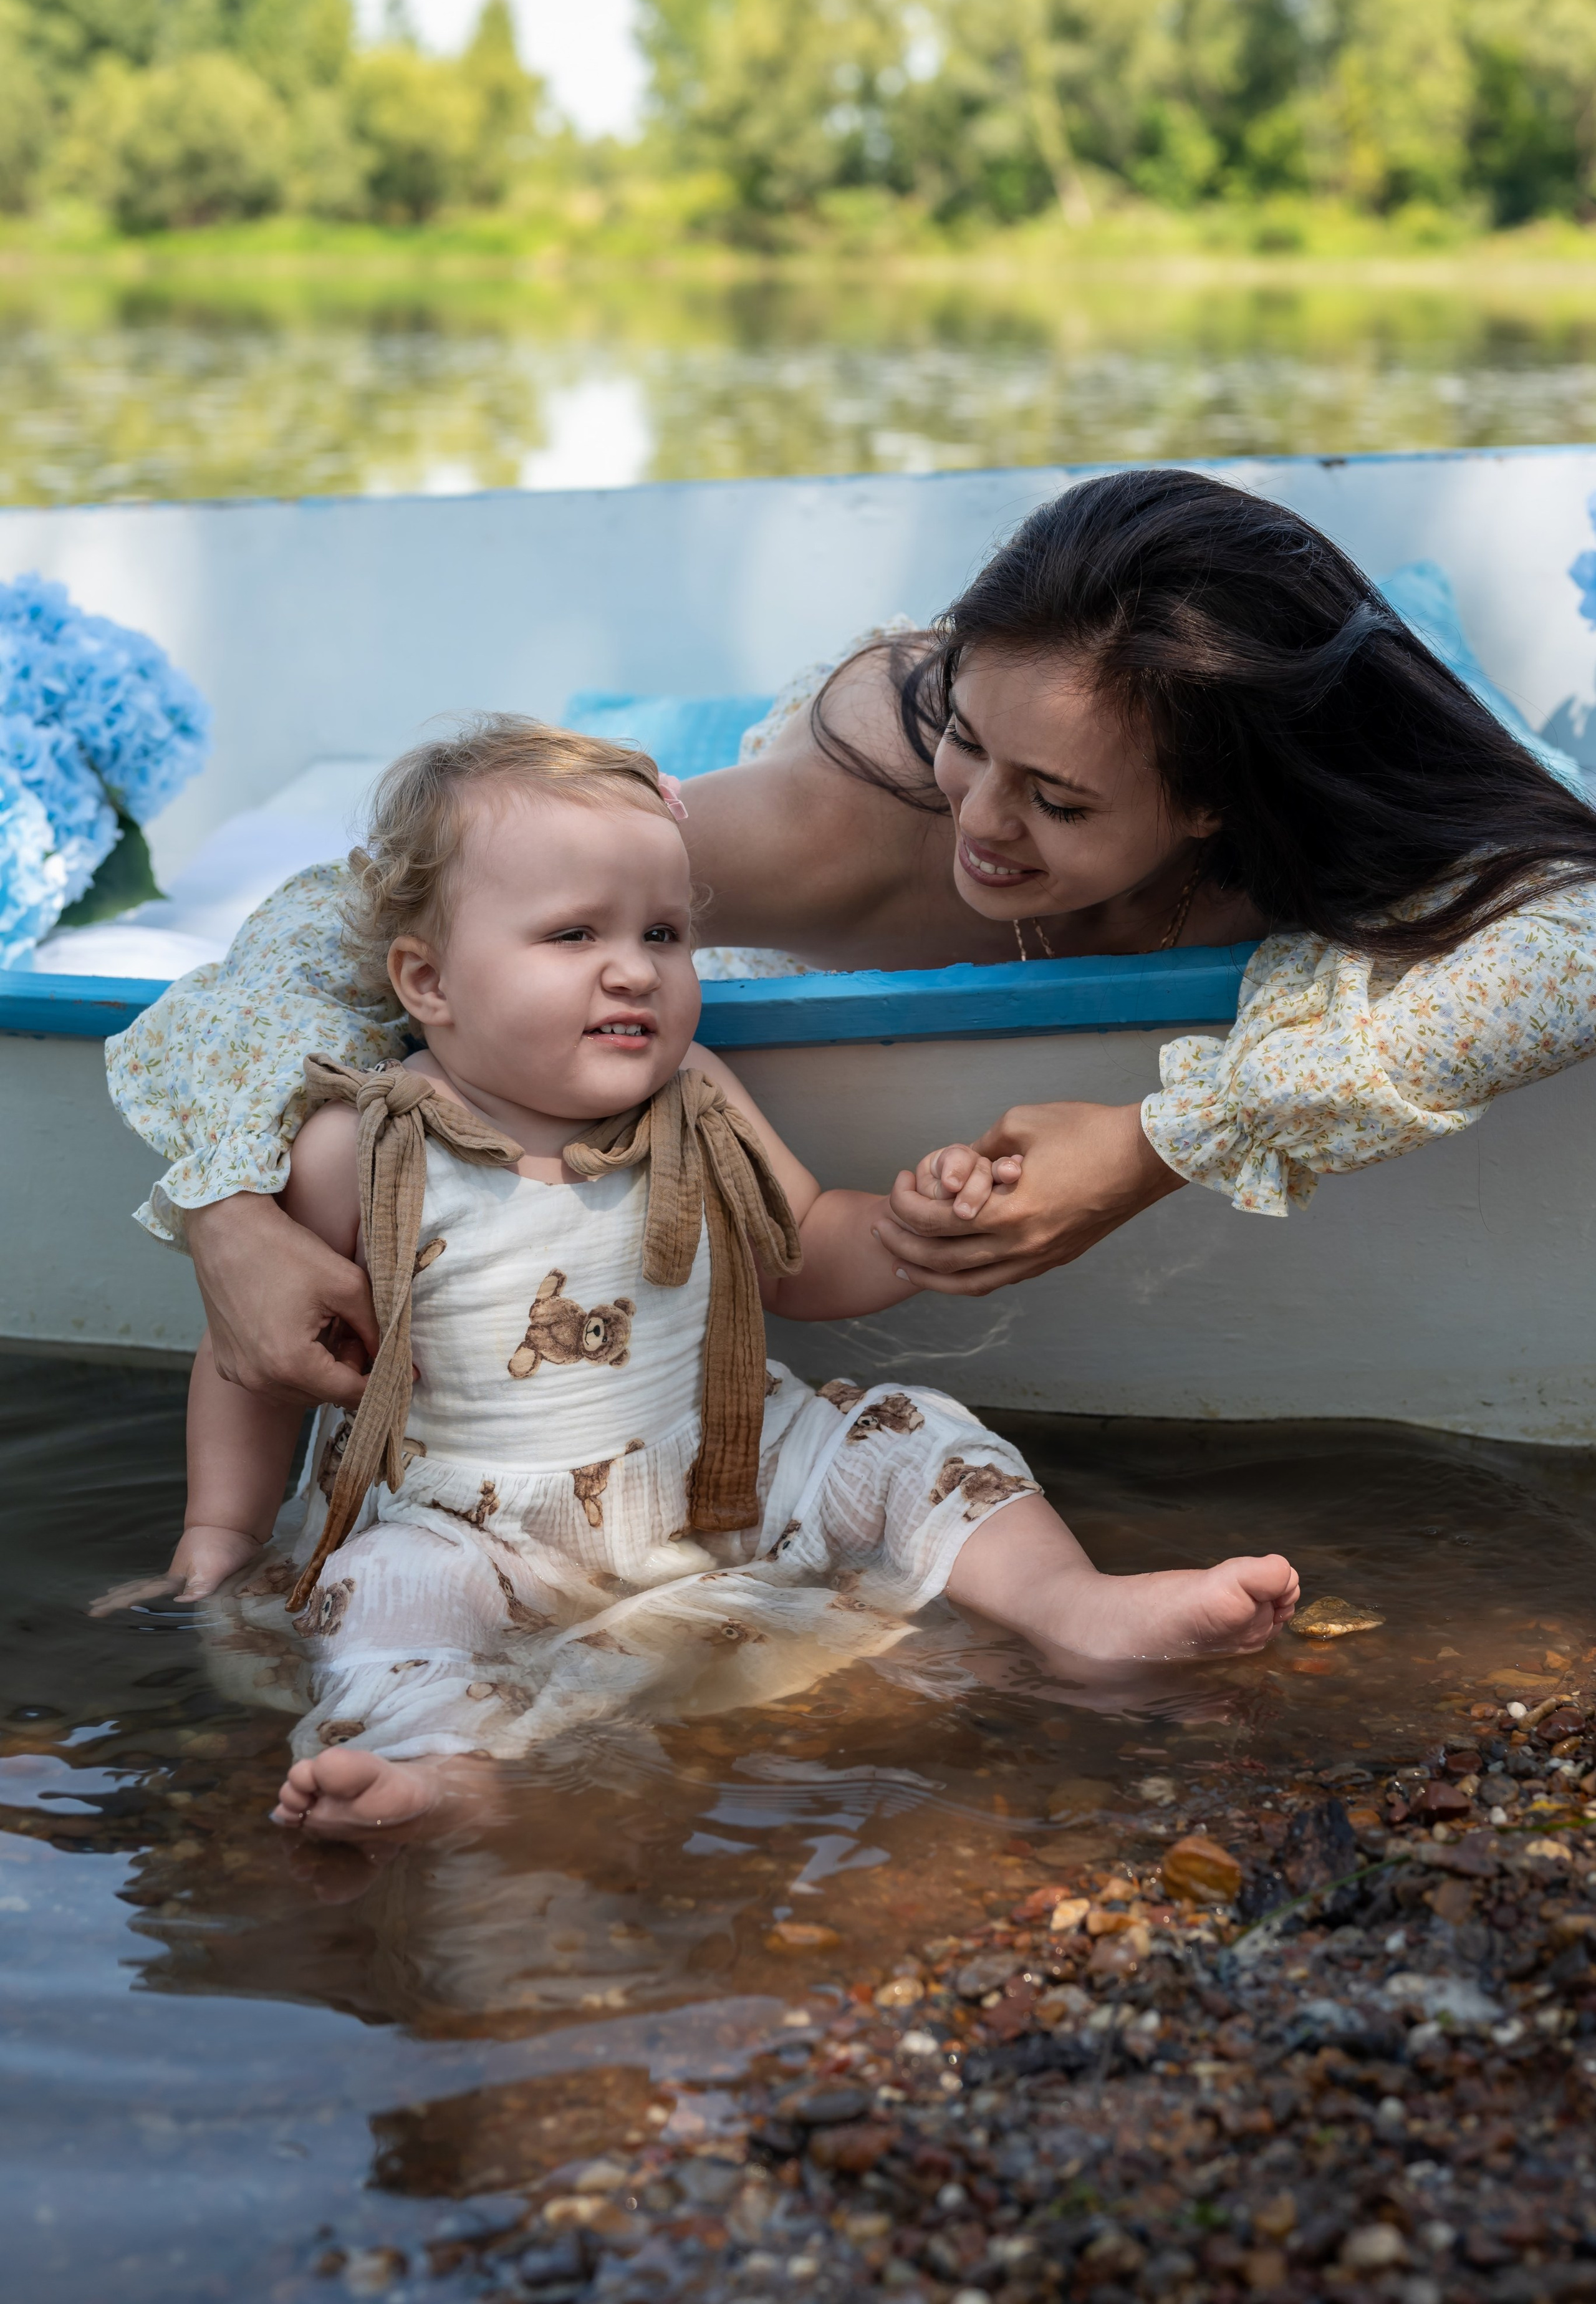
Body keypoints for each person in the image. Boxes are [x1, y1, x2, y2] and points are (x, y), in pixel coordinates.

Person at [107, 466, 1596, 1380]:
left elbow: (1575, 938)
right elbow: (336, 915)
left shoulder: (1313, 817)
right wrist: (226, 1213)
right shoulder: (861, 815)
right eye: (975, 741)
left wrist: (1158, 1146)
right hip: (815, 760)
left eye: (1055, 804)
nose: (981, 826)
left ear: (1214, 810)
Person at [100, 720, 1297, 1841]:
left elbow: (801, 1250)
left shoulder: (698, 1095)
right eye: (576, 937)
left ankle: (1073, 1608)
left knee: (911, 1433)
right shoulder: (358, 1149)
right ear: (428, 983)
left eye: (663, 936)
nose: (633, 972)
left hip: (718, 1466)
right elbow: (254, 1351)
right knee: (384, 1596)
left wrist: (902, 1226)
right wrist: (219, 1532)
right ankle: (436, 1760)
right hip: (468, 1521)